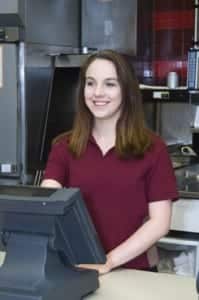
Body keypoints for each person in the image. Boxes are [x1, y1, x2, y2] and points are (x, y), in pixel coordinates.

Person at [41, 49, 178, 275]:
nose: (97, 93)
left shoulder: (153, 149)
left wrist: (109, 261)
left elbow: (159, 223)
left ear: (127, 90)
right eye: (90, 83)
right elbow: (47, 204)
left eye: (110, 84)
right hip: (78, 268)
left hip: (136, 272)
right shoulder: (64, 146)